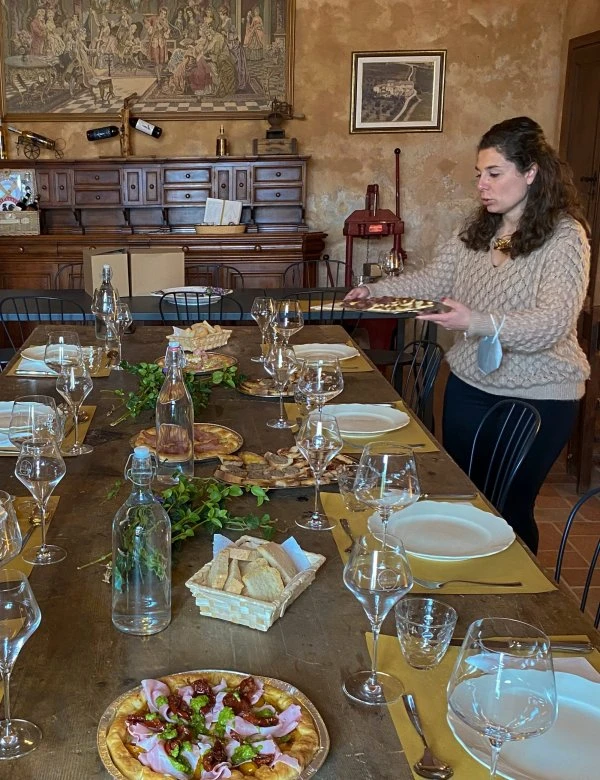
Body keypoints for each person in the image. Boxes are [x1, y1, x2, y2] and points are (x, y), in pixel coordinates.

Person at [344, 116, 591, 553]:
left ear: (530, 172)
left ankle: (518, 604)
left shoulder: (566, 237)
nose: (483, 184)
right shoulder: (474, 229)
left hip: (540, 395)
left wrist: (476, 322)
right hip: (469, 386)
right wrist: (374, 292)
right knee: (462, 497)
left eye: (494, 173)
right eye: (480, 174)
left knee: (510, 509)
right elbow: (432, 282)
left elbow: (554, 322)